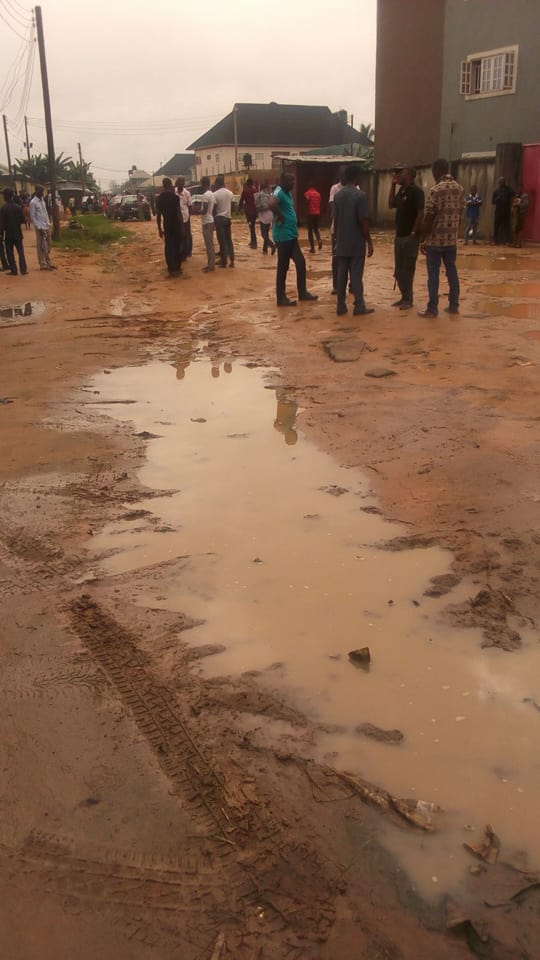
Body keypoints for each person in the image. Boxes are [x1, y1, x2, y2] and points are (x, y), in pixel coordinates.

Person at [418, 158, 463, 318]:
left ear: (436, 171)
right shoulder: (459, 189)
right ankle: (454, 305)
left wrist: (423, 239)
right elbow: (460, 212)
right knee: (452, 271)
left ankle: (432, 308)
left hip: (435, 240)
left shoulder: (435, 190)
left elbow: (429, 217)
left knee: (434, 275)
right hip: (451, 240)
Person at [268, 171, 318, 307]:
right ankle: (281, 298)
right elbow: (271, 203)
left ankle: (302, 292)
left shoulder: (288, 192)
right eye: (290, 181)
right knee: (283, 267)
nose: (293, 183)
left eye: (293, 181)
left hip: (291, 235)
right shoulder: (279, 191)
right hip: (283, 237)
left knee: (300, 262)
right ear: (282, 181)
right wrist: (281, 216)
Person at [333, 165, 374, 316]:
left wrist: (337, 239)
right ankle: (359, 306)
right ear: (357, 177)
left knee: (341, 274)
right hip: (356, 242)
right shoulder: (360, 196)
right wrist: (369, 242)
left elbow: (335, 220)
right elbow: (363, 221)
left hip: (342, 241)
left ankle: (341, 305)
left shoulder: (338, 196)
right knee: (356, 275)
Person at [388, 166, 424, 310]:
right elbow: (390, 204)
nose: (398, 175)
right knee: (399, 269)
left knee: (408, 268)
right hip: (399, 236)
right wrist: (392, 185)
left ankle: (408, 299)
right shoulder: (401, 191)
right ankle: (404, 297)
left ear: (409, 175)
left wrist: (414, 233)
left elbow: (421, 213)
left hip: (410, 237)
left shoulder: (417, 192)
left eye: (401, 173)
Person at [155, 177, 183, 278]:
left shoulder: (159, 199)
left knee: (168, 247)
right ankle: (177, 268)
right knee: (177, 246)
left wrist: (159, 228)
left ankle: (171, 269)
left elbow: (158, 215)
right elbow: (179, 213)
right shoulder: (175, 197)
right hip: (176, 224)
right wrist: (183, 227)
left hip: (167, 224)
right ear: (170, 185)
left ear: (163, 186)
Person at [328, 167, 347, 294]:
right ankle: (336, 285)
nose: (343, 178)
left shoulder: (356, 189)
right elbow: (331, 206)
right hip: (337, 229)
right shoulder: (335, 188)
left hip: (352, 231)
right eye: (341, 175)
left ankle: (351, 285)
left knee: (352, 258)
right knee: (336, 258)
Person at [0, 188, 28, 275]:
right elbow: (23, 220)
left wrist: (1, 234)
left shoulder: (3, 209)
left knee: (10, 253)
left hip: (8, 234)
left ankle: (14, 270)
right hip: (18, 233)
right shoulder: (18, 207)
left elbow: (1, 224)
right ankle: (23, 270)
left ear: (5, 196)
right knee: (21, 252)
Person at [29, 185, 56, 270]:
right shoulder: (33, 203)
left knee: (48, 245)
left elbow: (45, 213)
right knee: (41, 246)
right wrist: (39, 227)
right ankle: (43, 264)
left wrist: (48, 223)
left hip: (46, 225)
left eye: (42, 191)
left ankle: (48, 261)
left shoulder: (43, 201)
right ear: (36, 191)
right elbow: (33, 217)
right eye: (40, 191)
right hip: (40, 227)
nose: (42, 193)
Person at [213, 174, 235, 268]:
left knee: (222, 240)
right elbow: (233, 206)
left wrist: (214, 220)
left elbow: (214, 209)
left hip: (219, 218)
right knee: (229, 240)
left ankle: (224, 261)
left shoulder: (215, 194)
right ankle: (232, 260)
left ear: (218, 183)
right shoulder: (230, 193)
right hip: (228, 218)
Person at [200, 176, 216, 272]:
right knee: (210, 244)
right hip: (210, 220)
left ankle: (211, 265)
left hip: (206, 221)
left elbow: (204, 210)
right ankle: (211, 263)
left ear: (203, 184)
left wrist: (196, 211)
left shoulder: (206, 195)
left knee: (209, 244)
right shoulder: (211, 194)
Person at [255, 181, 276, 254]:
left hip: (264, 216)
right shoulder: (270, 195)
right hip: (270, 215)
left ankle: (271, 245)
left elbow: (259, 206)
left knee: (263, 234)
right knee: (266, 233)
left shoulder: (260, 195)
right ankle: (265, 250)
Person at [492, 177, 514, 245]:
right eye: (501, 181)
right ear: (499, 182)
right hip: (498, 211)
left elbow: (513, 194)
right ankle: (495, 240)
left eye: (503, 181)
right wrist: (497, 199)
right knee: (496, 226)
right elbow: (492, 202)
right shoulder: (496, 191)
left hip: (506, 211)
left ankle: (507, 241)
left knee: (506, 226)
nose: (502, 182)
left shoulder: (508, 189)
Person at [175, 176, 192, 258]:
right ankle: (180, 252)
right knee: (178, 235)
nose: (181, 184)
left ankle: (188, 251)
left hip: (185, 217)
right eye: (179, 182)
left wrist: (189, 217)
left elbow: (190, 206)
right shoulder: (174, 192)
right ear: (177, 183)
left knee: (187, 235)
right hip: (176, 218)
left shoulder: (187, 193)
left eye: (183, 182)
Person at [239, 177, 258, 248]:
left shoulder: (245, 191)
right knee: (252, 226)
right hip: (255, 212)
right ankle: (253, 241)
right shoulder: (255, 190)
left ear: (247, 184)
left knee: (251, 227)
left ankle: (254, 242)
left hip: (249, 212)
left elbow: (241, 201)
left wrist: (239, 209)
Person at [304, 184, 323, 252]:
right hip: (317, 213)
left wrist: (306, 209)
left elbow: (307, 200)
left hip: (310, 213)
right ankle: (319, 240)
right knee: (316, 229)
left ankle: (312, 248)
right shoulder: (318, 194)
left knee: (310, 231)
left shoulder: (307, 193)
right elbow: (320, 202)